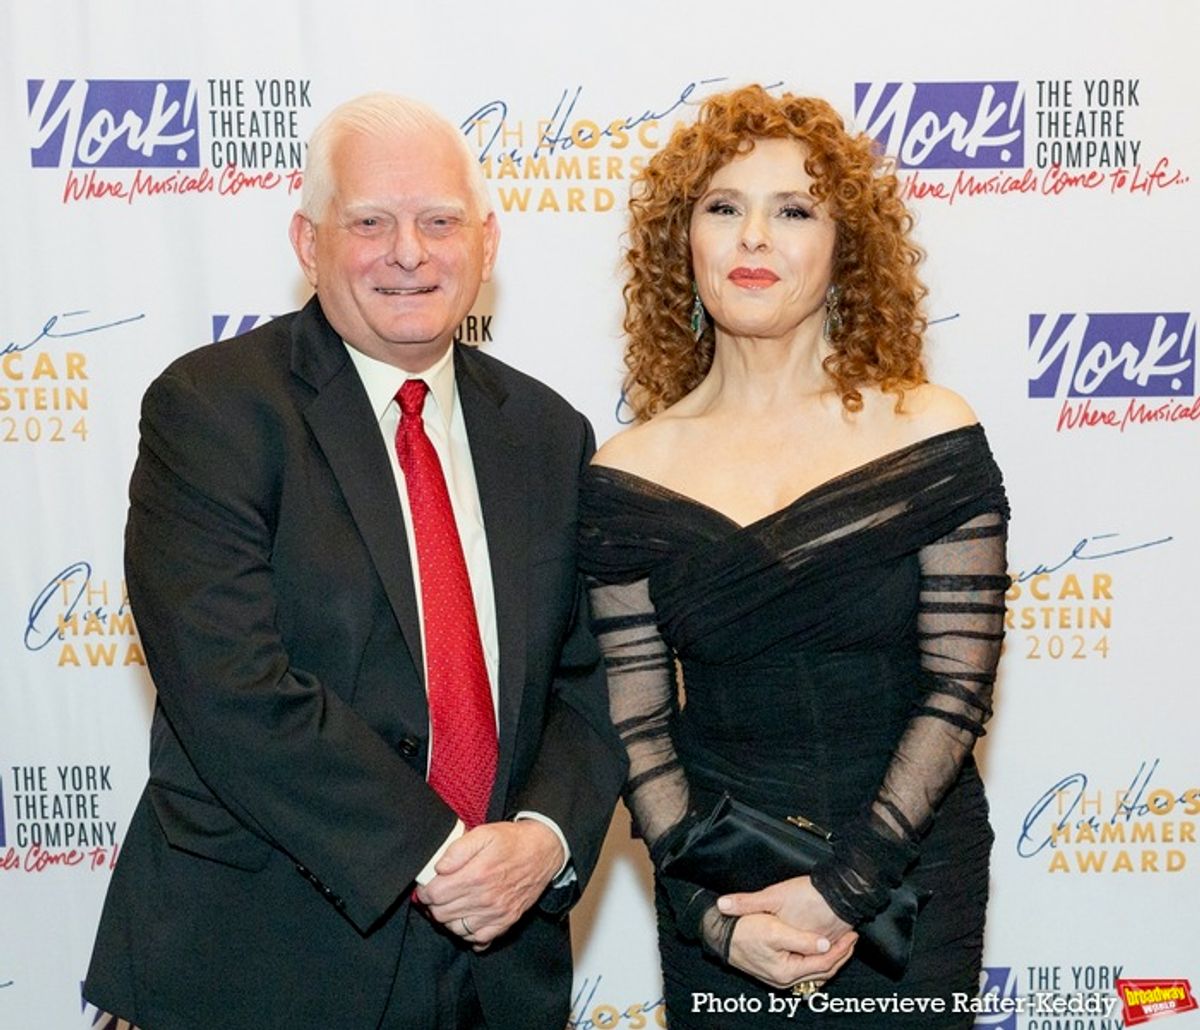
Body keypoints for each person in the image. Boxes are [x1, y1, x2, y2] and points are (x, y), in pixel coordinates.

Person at [84, 93, 626, 1030]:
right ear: (307, 244)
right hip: (258, 963)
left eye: (439, 222)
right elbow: (231, 689)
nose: (408, 252)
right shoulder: (211, 410)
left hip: (497, 978)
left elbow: (594, 681)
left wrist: (541, 841)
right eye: (369, 222)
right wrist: (437, 853)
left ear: (486, 244)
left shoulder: (548, 434)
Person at [578, 85, 1009, 1028]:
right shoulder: (626, 473)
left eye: (794, 210)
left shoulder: (930, 435)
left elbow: (956, 691)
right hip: (722, 890)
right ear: (681, 244)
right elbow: (637, 728)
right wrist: (709, 917)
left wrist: (847, 888)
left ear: (844, 249)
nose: (754, 239)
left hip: (907, 883)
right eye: (723, 207)